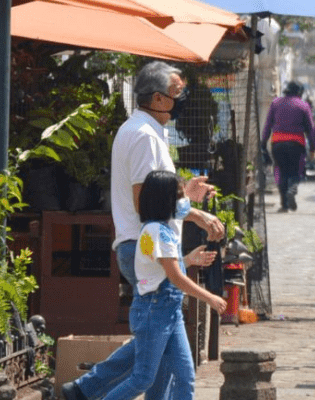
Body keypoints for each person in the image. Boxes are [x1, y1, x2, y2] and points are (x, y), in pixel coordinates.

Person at [63, 61, 225, 400]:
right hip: (146, 249)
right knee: (152, 357)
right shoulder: (144, 137)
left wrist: (186, 199)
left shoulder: (144, 131)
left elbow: (155, 196)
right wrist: (193, 212)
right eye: (178, 92)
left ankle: (83, 389)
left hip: (147, 248)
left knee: (159, 350)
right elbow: (147, 202)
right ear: (158, 98)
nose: (183, 98)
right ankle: (85, 389)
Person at [102, 170, 227, 399]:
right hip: (154, 311)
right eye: (178, 195)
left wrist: (188, 260)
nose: (183, 201)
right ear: (165, 200)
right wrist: (209, 297)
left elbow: (159, 268)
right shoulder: (158, 232)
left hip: (166, 311)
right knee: (143, 378)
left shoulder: (155, 229)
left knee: (185, 376)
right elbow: (175, 277)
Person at [261, 81, 314, 212]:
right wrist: (313, 146)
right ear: (299, 92)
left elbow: (268, 125)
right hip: (296, 144)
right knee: (296, 171)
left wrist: (263, 143)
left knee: (281, 172)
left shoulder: (275, 103)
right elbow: (310, 129)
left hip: (277, 143)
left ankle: (284, 205)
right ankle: (293, 188)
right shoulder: (303, 105)